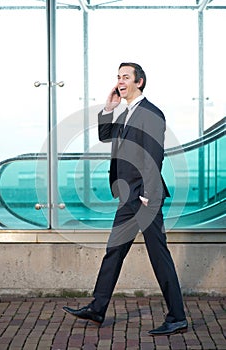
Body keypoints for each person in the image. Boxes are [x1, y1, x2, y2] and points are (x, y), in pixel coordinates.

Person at [63, 62, 188, 336]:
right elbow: (106, 136)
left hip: (144, 198)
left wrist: (149, 194)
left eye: (126, 77)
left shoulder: (150, 113)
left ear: (139, 82)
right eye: (118, 76)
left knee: (159, 256)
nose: (120, 81)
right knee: (114, 250)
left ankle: (177, 317)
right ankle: (97, 308)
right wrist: (108, 108)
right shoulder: (126, 112)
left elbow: (155, 155)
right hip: (128, 196)